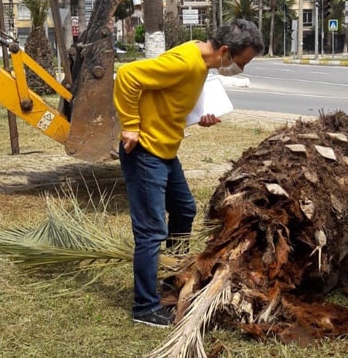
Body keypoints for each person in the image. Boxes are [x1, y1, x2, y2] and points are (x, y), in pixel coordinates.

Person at [113, 19, 264, 328]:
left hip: (166, 151)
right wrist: (130, 123)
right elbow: (127, 76)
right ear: (225, 50)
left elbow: (170, 100)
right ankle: (144, 307)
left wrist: (199, 116)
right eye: (241, 62)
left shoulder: (202, 67)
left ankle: (174, 274)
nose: (241, 69)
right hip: (146, 153)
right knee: (151, 230)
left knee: (184, 209)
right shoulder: (185, 62)